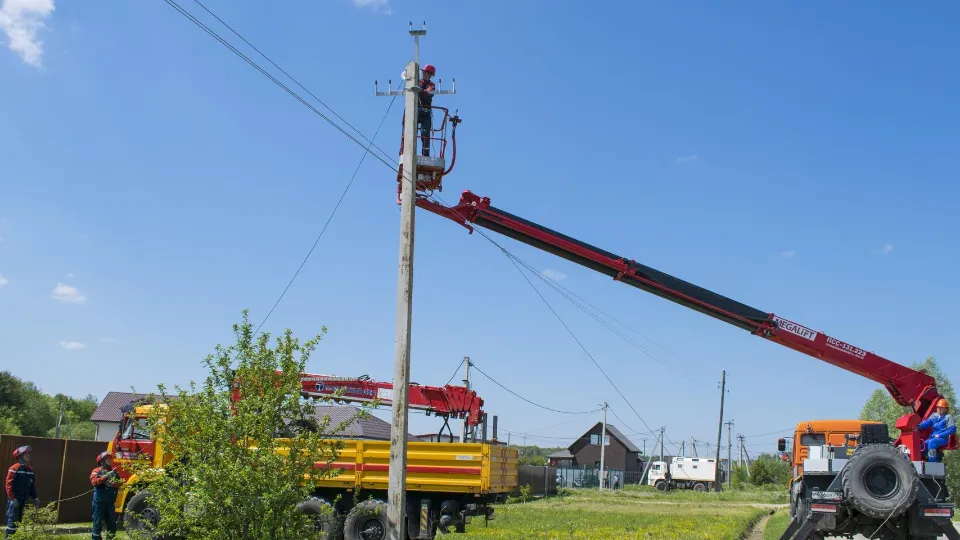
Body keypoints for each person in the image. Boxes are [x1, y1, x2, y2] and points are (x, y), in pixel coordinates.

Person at [5, 446, 39, 540]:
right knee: (12, 521)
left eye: (29, 454)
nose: (28, 456)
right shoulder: (14, 468)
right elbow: (8, 485)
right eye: (26, 454)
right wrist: (12, 498)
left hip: (23, 500)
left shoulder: (30, 470)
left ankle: (16, 537)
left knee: (19, 521)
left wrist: (35, 497)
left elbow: (32, 486)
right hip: (14, 500)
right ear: (20, 456)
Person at [90, 452, 123, 540]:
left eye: (109, 458)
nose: (109, 460)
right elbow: (94, 482)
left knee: (112, 526)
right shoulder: (96, 471)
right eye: (107, 458)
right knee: (97, 525)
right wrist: (105, 477)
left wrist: (113, 483)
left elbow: (120, 483)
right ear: (102, 461)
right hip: (99, 503)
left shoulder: (114, 471)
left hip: (110, 503)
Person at [919, 398, 956, 463]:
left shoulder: (948, 417)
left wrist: (939, 435)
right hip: (933, 437)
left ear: (946, 409)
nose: (939, 409)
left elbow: (952, 430)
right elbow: (927, 423)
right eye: (938, 407)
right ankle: (922, 460)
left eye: (942, 408)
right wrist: (918, 426)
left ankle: (932, 462)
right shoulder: (934, 415)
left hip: (943, 439)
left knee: (931, 442)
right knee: (922, 445)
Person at [417, 64, 437, 156]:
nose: (425, 75)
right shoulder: (417, 83)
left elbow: (430, 92)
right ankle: (406, 150)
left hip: (426, 112)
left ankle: (425, 154)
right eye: (424, 73)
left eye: (427, 73)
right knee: (409, 132)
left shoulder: (431, 85)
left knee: (425, 134)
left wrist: (421, 91)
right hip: (415, 111)